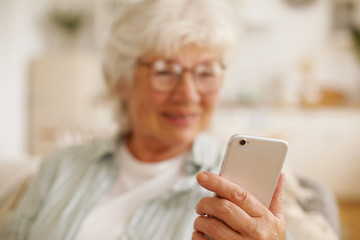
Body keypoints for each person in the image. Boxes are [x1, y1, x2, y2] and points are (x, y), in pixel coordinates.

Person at [0, 0, 338, 239]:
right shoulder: (61, 166)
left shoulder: (247, 183)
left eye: (205, 72)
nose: (188, 93)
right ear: (122, 79)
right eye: (165, 71)